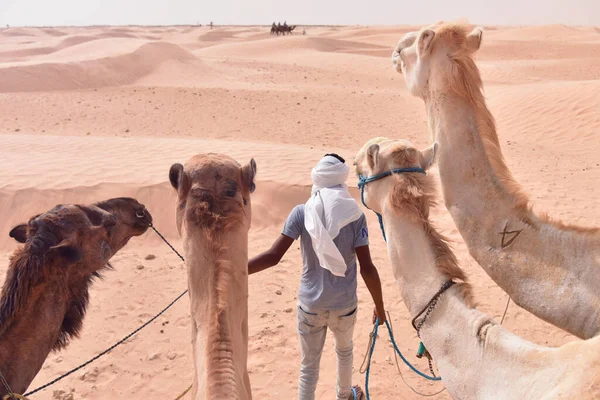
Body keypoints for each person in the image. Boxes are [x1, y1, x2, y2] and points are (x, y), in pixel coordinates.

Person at [248, 153, 386, 400]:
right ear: (342, 179)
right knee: (345, 353)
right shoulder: (355, 215)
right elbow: (367, 267)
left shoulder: (301, 212)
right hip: (344, 306)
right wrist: (380, 307)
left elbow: (273, 256)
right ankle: (345, 396)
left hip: (310, 305)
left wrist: (234, 270)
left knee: (308, 367)